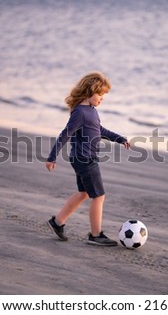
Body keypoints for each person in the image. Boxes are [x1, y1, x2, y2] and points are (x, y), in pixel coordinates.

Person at [46, 72, 130, 246]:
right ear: (89, 92)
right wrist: (52, 157)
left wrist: (120, 139)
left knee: (84, 193)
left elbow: (100, 131)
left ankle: (58, 221)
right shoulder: (80, 113)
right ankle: (96, 235)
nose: (102, 99)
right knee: (99, 196)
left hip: (82, 158)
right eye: (100, 94)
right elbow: (65, 134)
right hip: (85, 159)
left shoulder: (91, 111)